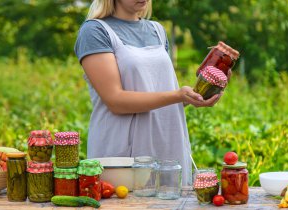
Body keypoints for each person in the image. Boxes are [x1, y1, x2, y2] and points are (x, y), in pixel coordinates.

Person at [74, 0, 222, 186]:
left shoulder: (157, 30)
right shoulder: (95, 31)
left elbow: (160, 94)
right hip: (122, 152)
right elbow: (115, 100)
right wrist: (177, 95)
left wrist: (207, 86)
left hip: (167, 144)